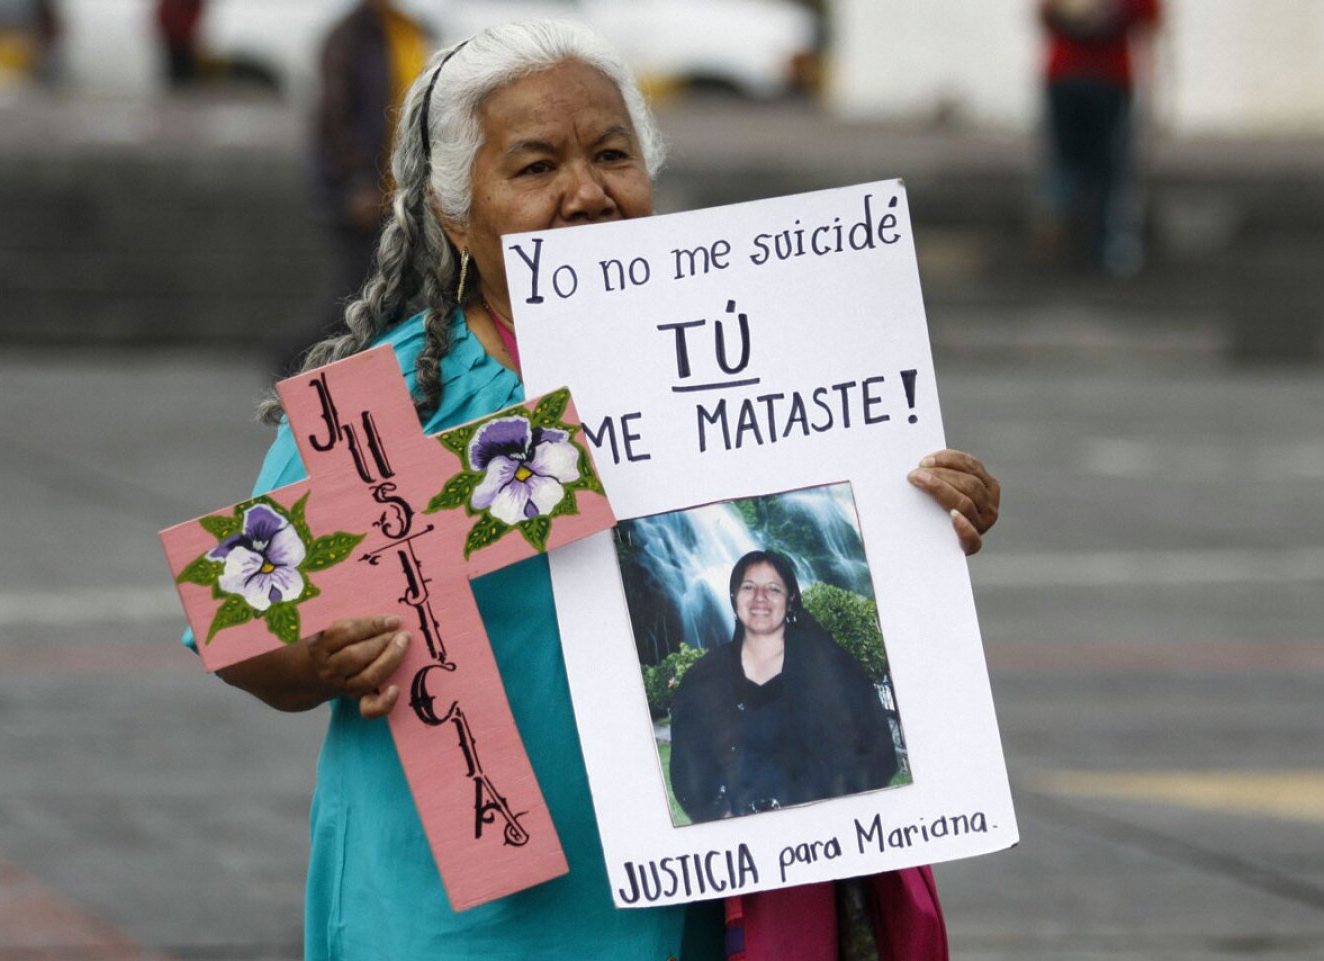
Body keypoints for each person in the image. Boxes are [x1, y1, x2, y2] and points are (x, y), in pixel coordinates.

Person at [197, 19, 1001, 960]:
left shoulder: (747, 363)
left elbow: (824, 566)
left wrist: (917, 515)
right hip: (457, 905)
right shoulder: (382, 408)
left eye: (613, 155)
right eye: (535, 168)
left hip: (693, 901)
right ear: (456, 212)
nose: (587, 195)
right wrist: (323, 656)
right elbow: (243, 633)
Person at [669, 550, 898, 824]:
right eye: (748, 587)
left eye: (773, 589)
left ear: (790, 600)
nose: (760, 598)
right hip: (741, 845)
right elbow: (688, 767)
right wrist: (720, 817)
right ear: (734, 598)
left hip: (824, 838)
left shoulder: (832, 669)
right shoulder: (702, 678)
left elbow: (877, 749)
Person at [271, 0, 428, 376]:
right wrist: (357, 182)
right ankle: (294, 359)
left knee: (384, 288)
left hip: (396, 190)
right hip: (359, 192)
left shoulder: (404, 30)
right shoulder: (350, 37)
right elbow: (336, 116)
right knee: (359, 291)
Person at [1038, 0, 1162, 276]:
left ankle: (1078, 244)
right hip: (1095, 78)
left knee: (1083, 164)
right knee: (1096, 166)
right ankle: (1084, 245)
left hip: (1088, 77)